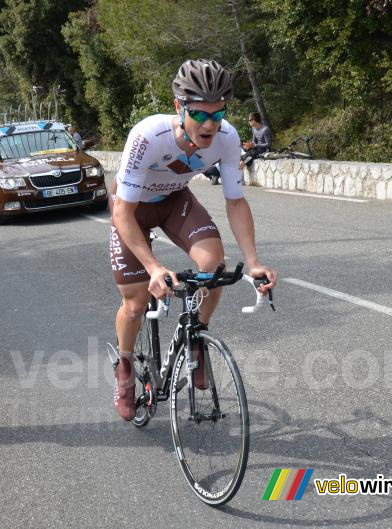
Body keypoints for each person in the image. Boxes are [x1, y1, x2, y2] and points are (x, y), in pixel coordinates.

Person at [109, 59, 277, 421]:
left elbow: (235, 200)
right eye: (199, 114)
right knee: (136, 304)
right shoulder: (148, 136)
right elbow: (122, 211)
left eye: (218, 114)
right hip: (133, 210)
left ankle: (196, 340)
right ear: (178, 108)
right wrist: (153, 266)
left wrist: (253, 261)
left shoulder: (228, 138)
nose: (210, 124)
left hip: (174, 203)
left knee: (214, 268)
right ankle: (124, 368)